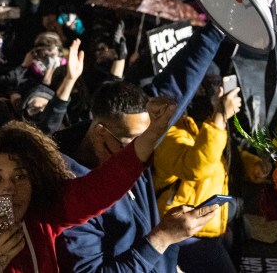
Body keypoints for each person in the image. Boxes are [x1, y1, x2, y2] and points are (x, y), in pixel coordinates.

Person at [0, 46, 213, 273]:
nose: (10, 188)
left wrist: (154, 132)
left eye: (20, 176)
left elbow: (102, 186)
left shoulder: (44, 217)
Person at [55, 24, 228, 273]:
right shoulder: (70, 193)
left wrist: (218, 27)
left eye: (148, 138)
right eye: (132, 143)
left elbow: (179, 82)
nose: (143, 150)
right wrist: (162, 238)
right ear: (100, 132)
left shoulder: (138, 131)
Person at [152, 74, 242, 273]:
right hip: (184, 235)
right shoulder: (167, 133)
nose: (217, 93)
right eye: (208, 87)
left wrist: (253, 166)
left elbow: (216, 158)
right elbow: (197, 166)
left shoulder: (193, 126)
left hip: (206, 229)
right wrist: (219, 117)